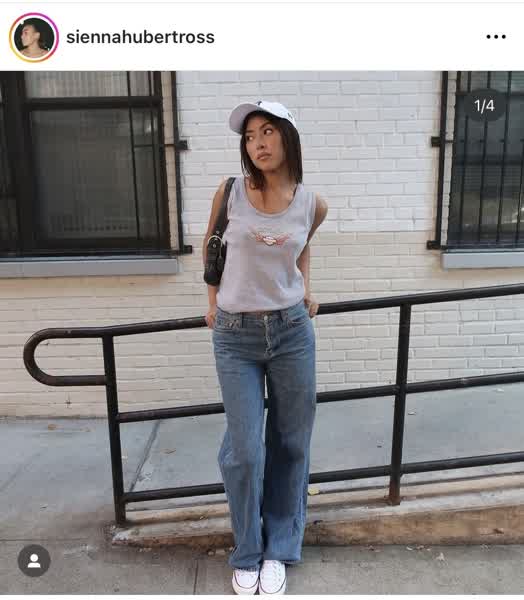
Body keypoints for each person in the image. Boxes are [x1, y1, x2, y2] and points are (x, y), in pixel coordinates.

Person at [203, 100, 328, 595]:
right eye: (251, 135)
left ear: (289, 137)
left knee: (292, 443)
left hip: (292, 331)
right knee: (245, 450)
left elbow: (302, 247)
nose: (258, 142)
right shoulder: (230, 192)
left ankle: (280, 547)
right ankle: (248, 551)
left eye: (268, 131)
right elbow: (211, 246)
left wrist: (307, 289)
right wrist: (211, 303)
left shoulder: (313, 203)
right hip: (235, 335)